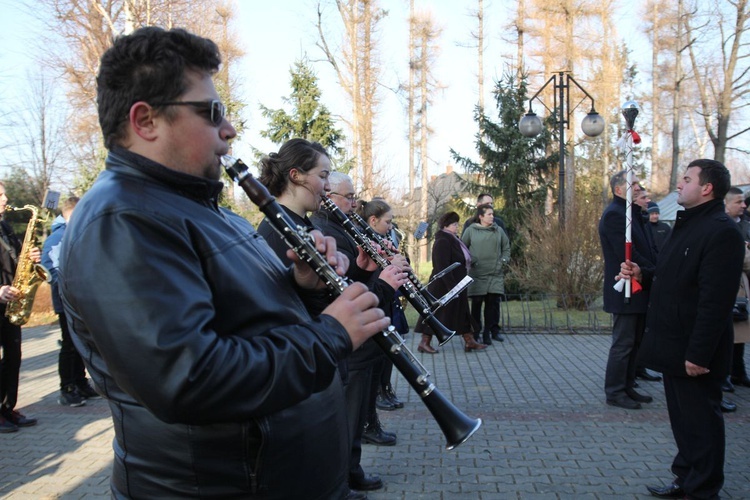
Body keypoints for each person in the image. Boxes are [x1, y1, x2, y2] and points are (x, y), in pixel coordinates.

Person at [57, 26, 389, 499]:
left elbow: (247, 321)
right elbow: (189, 379)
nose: (229, 129)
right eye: (212, 113)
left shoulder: (203, 210)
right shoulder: (122, 220)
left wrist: (304, 286)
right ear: (146, 121)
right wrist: (332, 335)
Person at [619, 159, 744, 500]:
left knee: (701, 424)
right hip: (674, 345)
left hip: (695, 352)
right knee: (684, 423)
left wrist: (699, 354)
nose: (679, 184)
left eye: (687, 179)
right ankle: (685, 479)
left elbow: (715, 302)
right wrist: (642, 272)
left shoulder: (722, 232)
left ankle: (702, 490)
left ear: (706, 188)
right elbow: (672, 273)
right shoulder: (686, 224)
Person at [311, 172, 407, 492]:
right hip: (347, 339)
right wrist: (380, 283)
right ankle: (344, 477)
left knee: (356, 413)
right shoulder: (326, 229)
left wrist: (365, 268)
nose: (354, 203)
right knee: (348, 417)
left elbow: (350, 277)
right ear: (329, 196)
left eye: (354, 196)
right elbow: (341, 293)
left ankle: (351, 471)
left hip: (358, 336)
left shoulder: (340, 226)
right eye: (348, 196)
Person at [598, 172, 657, 410]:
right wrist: (651, 269)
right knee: (623, 343)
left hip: (640, 287)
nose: (638, 187)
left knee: (635, 341)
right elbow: (627, 253)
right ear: (619, 190)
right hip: (625, 287)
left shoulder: (632, 214)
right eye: (632, 184)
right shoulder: (615, 215)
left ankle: (628, 385)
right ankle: (614, 391)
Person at [41, 196, 99, 408]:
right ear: (70, 215)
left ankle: (80, 382)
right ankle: (67, 388)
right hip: (66, 302)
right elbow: (54, 272)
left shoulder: (76, 233)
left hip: (81, 300)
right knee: (69, 345)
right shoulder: (57, 238)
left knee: (80, 344)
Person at [0, 182, 41, 433]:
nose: (5, 198)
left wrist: (31, 257)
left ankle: (7, 407)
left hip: (10, 303)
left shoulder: (4, 227)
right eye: (0, 194)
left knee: (13, 357)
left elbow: (17, 259)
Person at [415, 211, 486, 353]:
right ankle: (424, 342)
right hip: (444, 285)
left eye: (457, 224)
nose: (457, 227)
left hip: (458, 283)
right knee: (437, 313)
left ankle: (469, 340)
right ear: (446, 225)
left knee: (462, 311)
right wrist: (451, 287)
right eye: (454, 224)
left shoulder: (452, 238)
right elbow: (442, 266)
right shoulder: (443, 240)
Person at [461, 204, 511, 346]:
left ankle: (488, 333)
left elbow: (506, 248)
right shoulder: (471, 231)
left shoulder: (498, 230)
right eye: (489, 214)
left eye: (492, 214)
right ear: (481, 217)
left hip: (495, 273)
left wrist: (503, 261)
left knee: (491, 306)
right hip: (477, 274)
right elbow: (463, 248)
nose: (492, 216)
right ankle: (475, 333)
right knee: (476, 306)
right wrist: (471, 261)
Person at [725, 187, 750, 396]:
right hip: (728, 289)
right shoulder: (723, 227)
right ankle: (723, 377)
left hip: (741, 290)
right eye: (739, 202)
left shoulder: (744, 225)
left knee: (740, 332)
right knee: (726, 335)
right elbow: (741, 259)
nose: (744, 206)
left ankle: (738, 372)